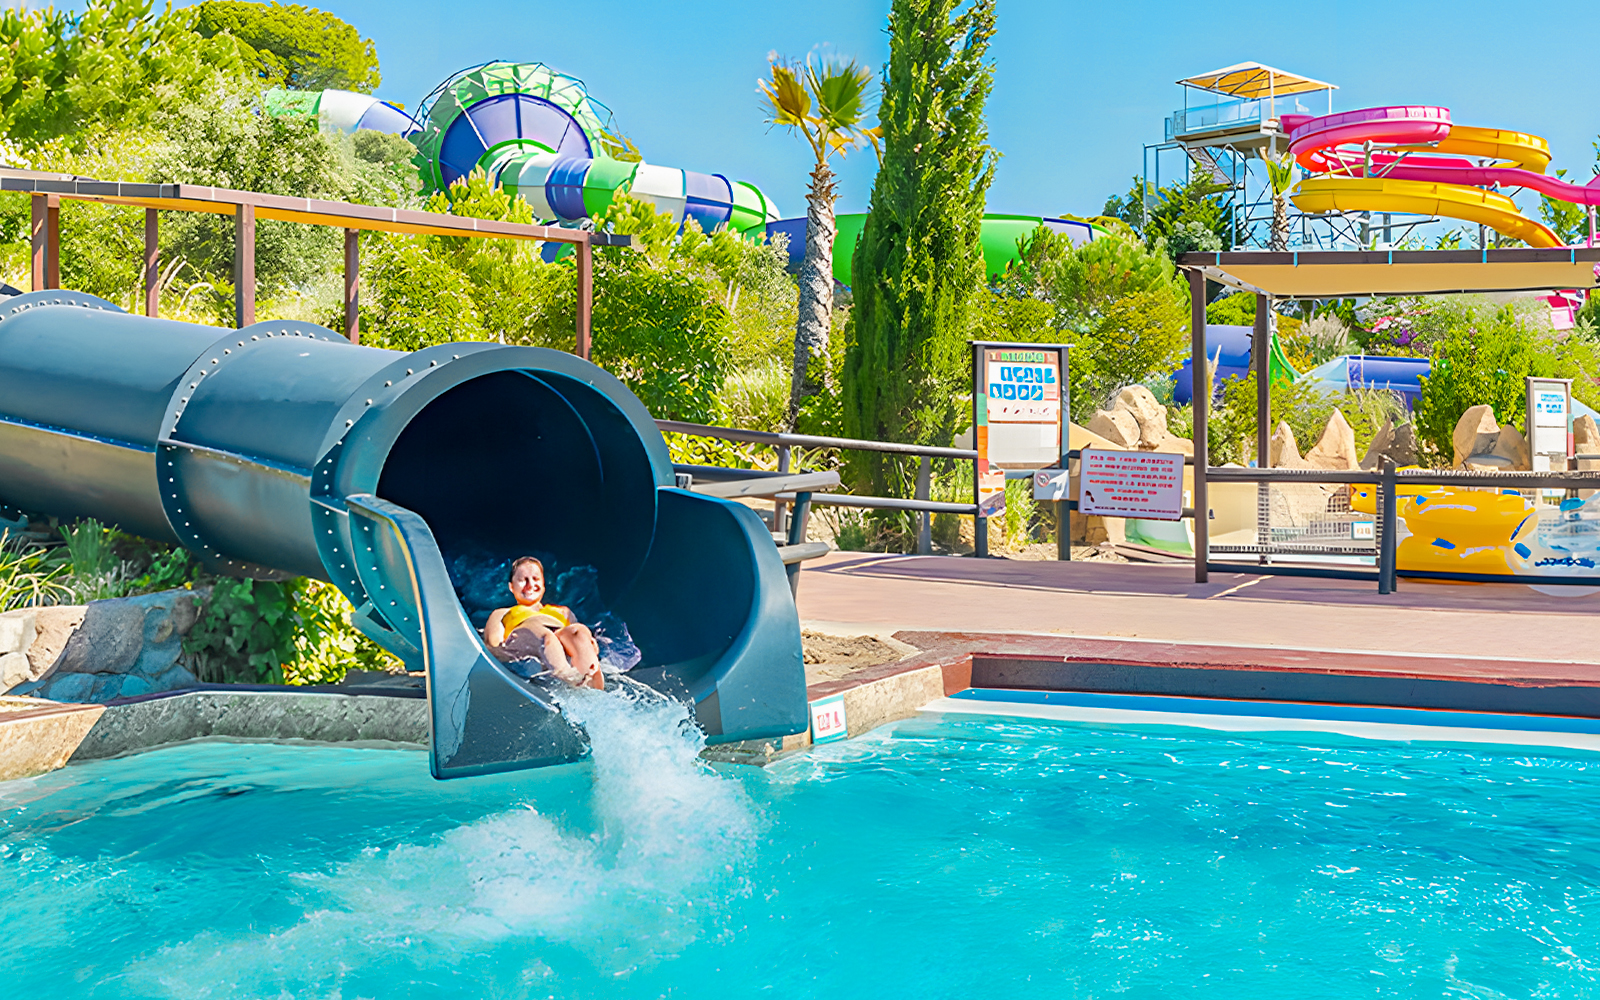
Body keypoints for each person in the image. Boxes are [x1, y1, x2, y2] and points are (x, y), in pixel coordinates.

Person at [483, 556, 603, 689]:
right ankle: (568, 678)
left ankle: (591, 685)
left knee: (578, 632)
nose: (530, 585)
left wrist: (588, 641)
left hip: (557, 646)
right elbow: (492, 647)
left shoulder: (563, 612)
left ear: (543, 585)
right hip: (528, 642)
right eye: (523, 580)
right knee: (541, 633)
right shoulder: (501, 613)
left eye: (535, 579)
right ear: (511, 586)